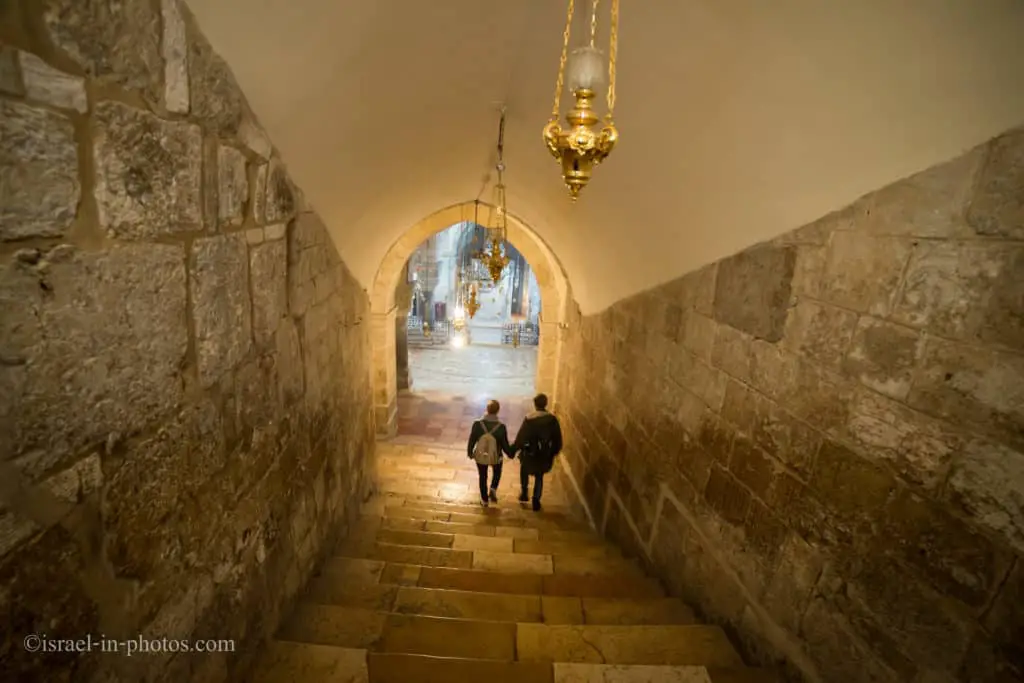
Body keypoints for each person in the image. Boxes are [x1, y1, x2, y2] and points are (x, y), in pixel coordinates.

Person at [512, 393, 563, 511]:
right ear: (546, 404)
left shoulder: (529, 419)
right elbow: (557, 438)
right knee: (539, 476)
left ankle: (524, 493)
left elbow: (521, 437)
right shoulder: (552, 420)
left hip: (529, 453)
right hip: (543, 454)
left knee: (524, 471)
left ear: (535, 404)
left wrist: (513, 449)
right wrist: (553, 453)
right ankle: (536, 500)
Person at [466, 400, 514, 507]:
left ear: (487, 410)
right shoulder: (501, 427)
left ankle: (484, 500)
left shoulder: (477, 424)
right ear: (498, 411)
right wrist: (511, 453)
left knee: (482, 476)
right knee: (497, 472)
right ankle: (493, 488)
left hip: (481, 455)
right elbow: (505, 445)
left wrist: (470, 452)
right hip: (496, 455)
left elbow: (472, 440)